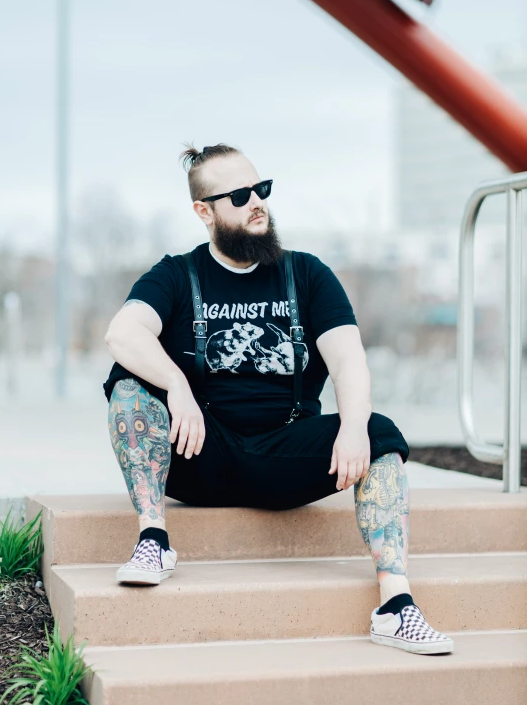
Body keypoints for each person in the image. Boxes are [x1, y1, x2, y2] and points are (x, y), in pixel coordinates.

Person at [102, 142, 453, 656]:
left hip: (284, 454)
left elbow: (349, 359)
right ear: (204, 211)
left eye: (261, 189)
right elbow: (123, 333)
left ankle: (395, 608)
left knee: (377, 429)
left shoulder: (306, 274)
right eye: (240, 195)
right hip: (201, 454)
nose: (257, 203)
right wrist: (177, 386)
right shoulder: (178, 275)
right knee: (129, 383)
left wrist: (353, 427)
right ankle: (153, 541)